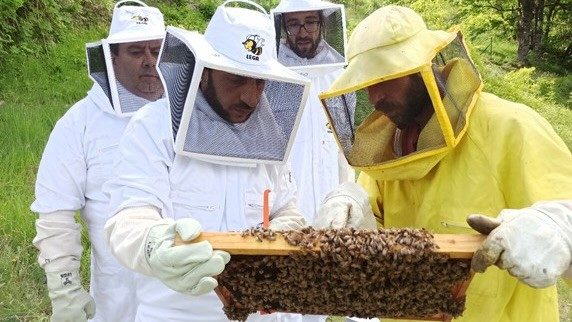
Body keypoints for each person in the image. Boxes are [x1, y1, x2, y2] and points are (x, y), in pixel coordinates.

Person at [314, 5, 572, 322]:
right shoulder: (386, 150)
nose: (375, 96)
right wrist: (350, 201)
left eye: (384, 78)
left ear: (423, 68)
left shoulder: (512, 127)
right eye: (366, 83)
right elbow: (370, 213)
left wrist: (561, 227)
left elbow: (563, 214)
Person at [103, 1, 310, 321]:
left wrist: (285, 231)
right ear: (202, 73)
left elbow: (286, 207)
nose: (251, 97)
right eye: (237, 79)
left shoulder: (270, 134)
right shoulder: (154, 126)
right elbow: (129, 217)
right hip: (173, 314)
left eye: (259, 82)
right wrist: (154, 245)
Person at [31, 1, 165, 321]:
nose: (149, 61)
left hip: (188, 295)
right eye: (136, 51)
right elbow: (55, 212)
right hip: (115, 295)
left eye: (156, 50)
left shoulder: (191, 117)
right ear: (113, 57)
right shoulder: (80, 123)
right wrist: (65, 290)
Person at [271, 0, 354, 224]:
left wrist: (347, 196)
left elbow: (344, 147)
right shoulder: (270, 76)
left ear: (322, 24)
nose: (303, 32)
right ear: (283, 27)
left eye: (310, 22)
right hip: (286, 207)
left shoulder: (339, 76)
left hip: (330, 198)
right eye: (294, 24)